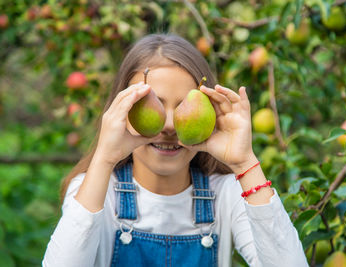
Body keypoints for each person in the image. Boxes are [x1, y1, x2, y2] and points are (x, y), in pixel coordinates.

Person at [42, 33, 308, 267]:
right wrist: (104, 158)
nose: (169, 125)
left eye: (184, 107)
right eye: (152, 105)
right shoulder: (98, 192)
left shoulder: (228, 195)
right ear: (120, 112)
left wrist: (244, 162)